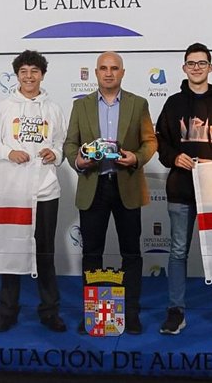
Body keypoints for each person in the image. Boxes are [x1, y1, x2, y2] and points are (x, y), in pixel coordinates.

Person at [155, 43, 212, 336]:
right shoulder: (172, 103)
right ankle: (176, 310)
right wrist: (174, 157)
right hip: (181, 189)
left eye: (201, 63)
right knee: (178, 251)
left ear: (210, 67)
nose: (196, 67)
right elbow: (161, 143)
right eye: (191, 63)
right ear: (184, 68)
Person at [63, 51, 157, 335]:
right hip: (94, 185)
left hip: (126, 183)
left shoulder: (138, 104)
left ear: (123, 72)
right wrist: (78, 160)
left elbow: (150, 142)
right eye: (103, 68)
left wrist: (136, 158)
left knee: (131, 254)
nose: (108, 73)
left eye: (114, 68)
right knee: (92, 254)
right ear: (96, 72)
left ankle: (131, 314)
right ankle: (93, 312)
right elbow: (70, 144)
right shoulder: (81, 106)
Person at [0, 50, 67, 333]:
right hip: (12, 191)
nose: (29, 76)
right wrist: (9, 152)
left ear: (42, 75)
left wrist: (53, 153)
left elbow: (61, 146)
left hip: (45, 190)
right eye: (24, 71)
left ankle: (49, 311)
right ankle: (7, 311)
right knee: (11, 251)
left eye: (34, 71)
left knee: (45, 253)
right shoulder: (4, 107)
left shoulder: (54, 109)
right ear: (17, 75)